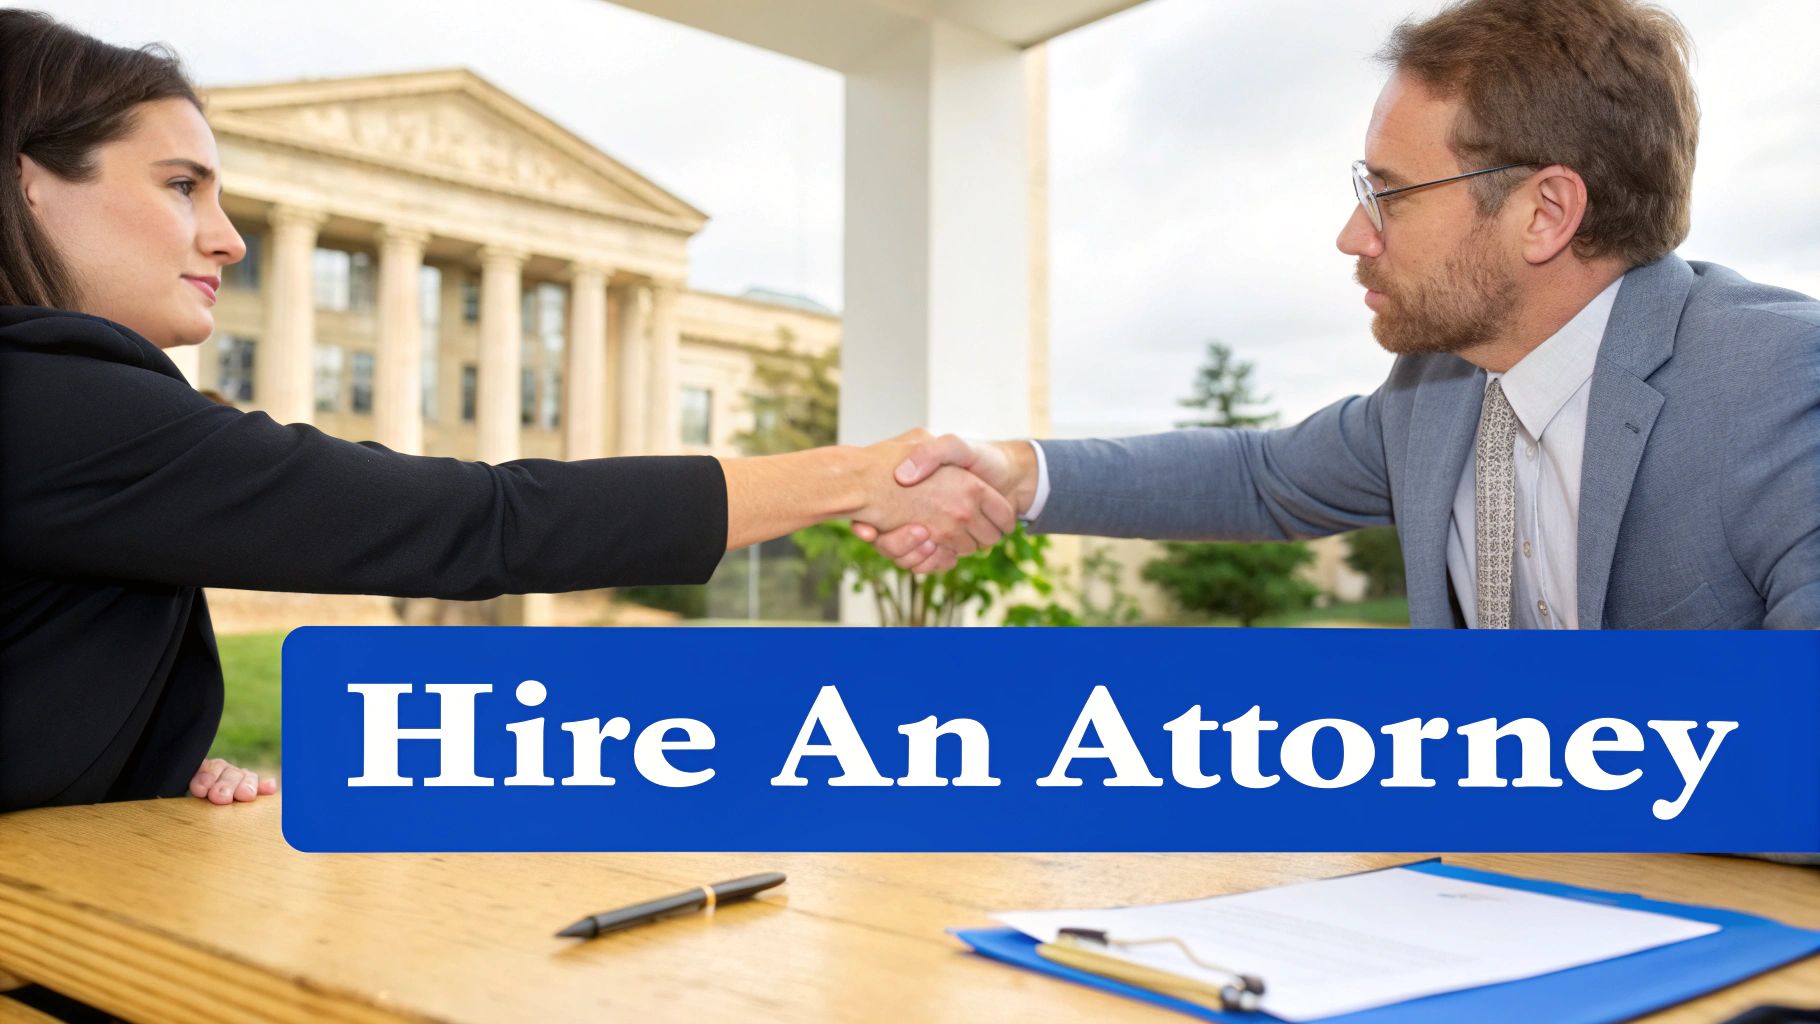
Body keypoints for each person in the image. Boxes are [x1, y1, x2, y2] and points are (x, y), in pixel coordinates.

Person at [0, 11, 1009, 813]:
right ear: (28, 182)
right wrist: (856, 476)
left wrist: (135, 762)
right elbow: (473, 520)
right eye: (183, 186)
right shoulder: (49, 399)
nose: (228, 240)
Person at [864, 0, 1819, 630]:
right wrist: (1013, 473)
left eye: (1392, 196)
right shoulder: (1441, 391)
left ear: (1546, 212)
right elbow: (1262, 477)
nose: (1352, 237)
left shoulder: (1781, 387)